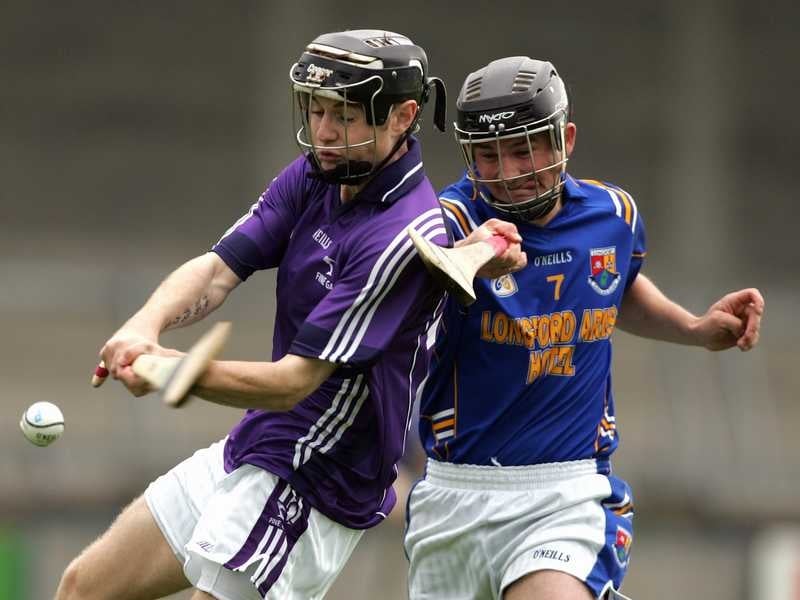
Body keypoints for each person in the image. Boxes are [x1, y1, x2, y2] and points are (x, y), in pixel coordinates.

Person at [54, 29, 475, 600]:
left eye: (344, 116)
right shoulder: (318, 175)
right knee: (83, 587)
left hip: (318, 476)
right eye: (317, 109)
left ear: (402, 117)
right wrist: (142, 328)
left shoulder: (404, 236)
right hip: (261, 442)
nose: (324, 132)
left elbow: (292, 384)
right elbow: (217, 270)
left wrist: (178, 371)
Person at [404, 56, 765, 600]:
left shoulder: (613, 214)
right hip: (453, 495)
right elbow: (431, 262)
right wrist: (470, 257)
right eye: (487, 154)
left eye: (524, 150)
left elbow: (616, 290)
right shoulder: (452, 218)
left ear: (565, 138)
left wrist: (694, 327)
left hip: (566, 492)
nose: (506, 175)